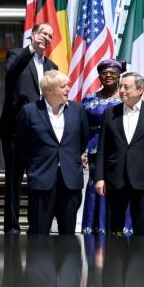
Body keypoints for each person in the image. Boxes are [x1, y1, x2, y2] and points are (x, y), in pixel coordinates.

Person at [0, 23, 58, 233]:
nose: (47, 37)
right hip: (15, 131)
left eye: (50, 36)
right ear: (33, 35)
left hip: (41, 133)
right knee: (13, 183)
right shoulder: (16, 55)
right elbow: (11, 71)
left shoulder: (52, 67)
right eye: (43, 33)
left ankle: (37, 225)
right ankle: (12, 227)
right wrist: (32, 48)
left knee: (39, 181)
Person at [16, 70, 89, 235]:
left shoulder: (78, 110)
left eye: (68, 85)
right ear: (48, 90)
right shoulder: (29, 111)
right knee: (39, 233)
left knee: (68, 235)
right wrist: (37, 164)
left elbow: (83, 140)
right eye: (63, 86)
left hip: (70, 181)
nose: (68, 89)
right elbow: (22, 145)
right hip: (41, 179)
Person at [95, 72, 144, 236]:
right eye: (120, 86)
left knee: (141, 229)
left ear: (140, 89)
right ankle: (114, 261)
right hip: (115, 178)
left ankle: (140, 261)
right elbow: (102, 150)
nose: (121, 90)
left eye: (126, 87)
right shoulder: (110, 113)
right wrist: (99, 178)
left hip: (143, 180)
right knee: (114, 230)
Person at [82, 59, 127, 234]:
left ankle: (119, 230)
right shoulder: (89, 100)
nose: (108, 75)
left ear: (119, 75)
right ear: (99, 76)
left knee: (119, 187)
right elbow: (81, 128)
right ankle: (95, 229)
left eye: (112, 72)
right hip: (94, 153)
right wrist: (82, 150)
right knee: (97, 187)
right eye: (104, 72)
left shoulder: (126, 100)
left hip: (120, 153)